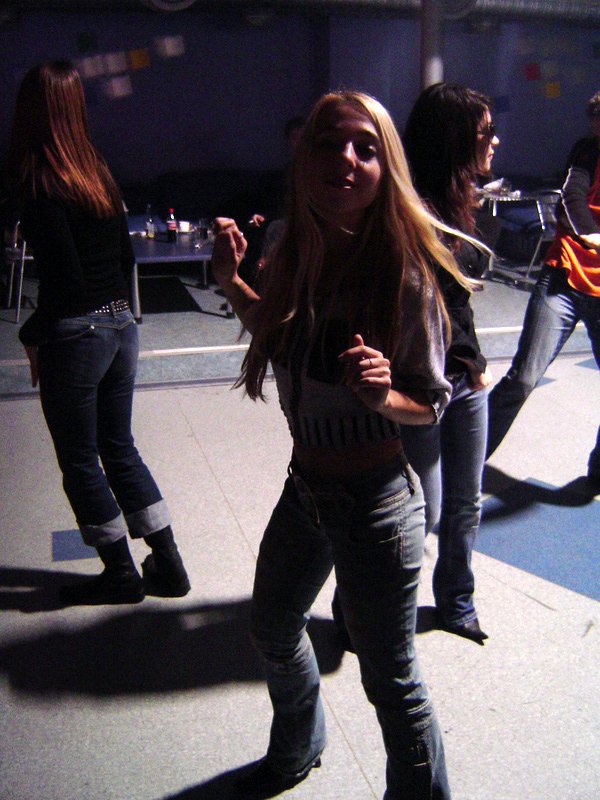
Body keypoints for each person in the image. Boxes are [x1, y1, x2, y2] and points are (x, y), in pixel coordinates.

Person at [210, 90, 476, 799]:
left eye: (365, 147)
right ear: (303, 160)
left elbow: (431, 405)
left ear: (388, 168)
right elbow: (280, 333)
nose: (345, 159)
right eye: (327, 144)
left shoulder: (405, 274)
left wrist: (385, 396)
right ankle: (299, 743)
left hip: (377, 506)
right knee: (273, 628)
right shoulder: (294, 252)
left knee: (391, 680)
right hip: (306, 492)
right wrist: (230, 284)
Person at [4, 61, 190, 605]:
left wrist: (32, 332)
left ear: (30, 111)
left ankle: (121, 575)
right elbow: (124, 258)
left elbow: (64, 282)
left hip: (78, 336)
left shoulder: (40, 182)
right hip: (121, 326)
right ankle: (169, 566)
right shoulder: (97, 172)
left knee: (81, 459)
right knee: (119, 448)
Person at [394, 83, 499, 645]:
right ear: (456, 140)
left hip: (463, 377)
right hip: (419, 382)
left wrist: (473, 362)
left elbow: (457, 300)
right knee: (424, 510)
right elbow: (422, 305)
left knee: (465, 503)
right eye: (485, 132)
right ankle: (369, 601)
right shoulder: (409, 210)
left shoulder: (458, 199)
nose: (494, 141)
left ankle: (457, 600)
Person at [486, 90, 600, 489]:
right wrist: (591, 235)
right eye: (596, 121)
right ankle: (463, 462)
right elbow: (570, 197)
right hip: (564, 278)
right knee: (522, 378)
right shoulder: (586, 151)